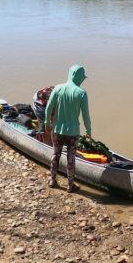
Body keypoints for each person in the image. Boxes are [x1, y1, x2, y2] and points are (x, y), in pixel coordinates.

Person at [44, 64, 92, 193]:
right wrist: (88, 130)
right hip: (73, 132)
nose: (82, 80)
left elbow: (49, 107)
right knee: (71, 158)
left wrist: (47, 122)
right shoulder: (81, 93)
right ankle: (70, 185)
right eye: (82, 78)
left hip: (57, 130)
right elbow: (86, 116)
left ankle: (52, 180)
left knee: (55, 154)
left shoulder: (58, 88)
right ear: (78, 77)